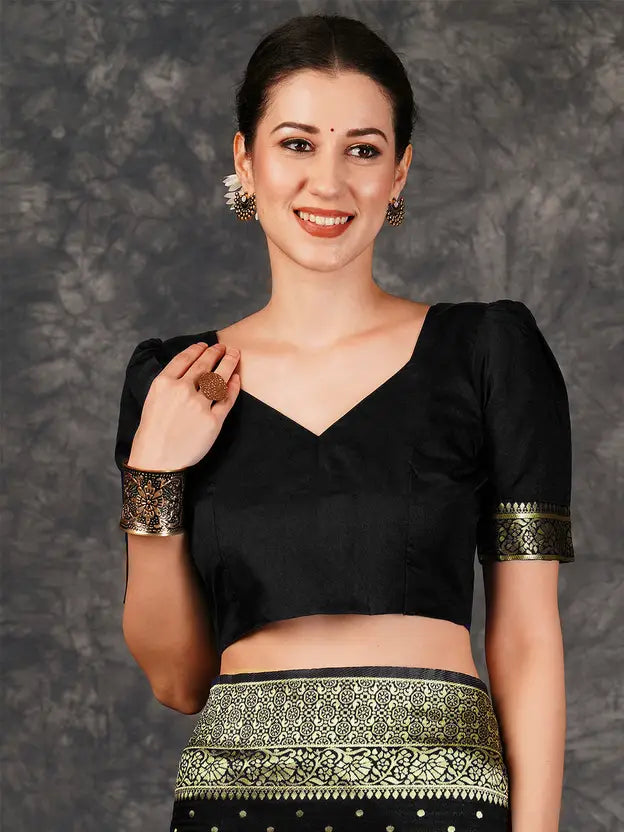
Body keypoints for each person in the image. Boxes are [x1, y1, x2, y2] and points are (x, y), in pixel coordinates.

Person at [114, 14, 575, 832]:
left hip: (441, 806)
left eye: (362, 150)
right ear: (245, 160)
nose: (327, 183)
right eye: (297, 144)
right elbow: (179, 682)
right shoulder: (176, 381)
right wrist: (153, 477)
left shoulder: (488, 353)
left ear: (399, 173)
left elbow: (529, 640)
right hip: (234, 808)